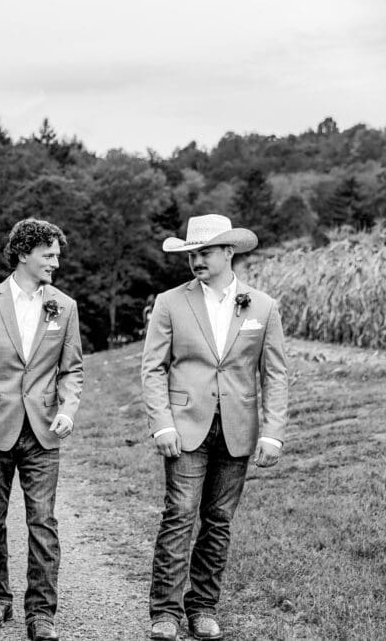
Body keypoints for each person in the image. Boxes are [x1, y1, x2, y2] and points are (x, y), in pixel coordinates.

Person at [141, 214, 288, 641]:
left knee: (219, 518)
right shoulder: (170, 302)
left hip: (239, 427)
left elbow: (274, 374)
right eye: (191, 254)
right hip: (185, 426)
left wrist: (273, 431)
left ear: (229, 252)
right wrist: (161, 424)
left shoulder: (262, 306)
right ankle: (164, 612)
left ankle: (203, 607)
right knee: (180, 515)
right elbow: (153, 369)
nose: (196, 261)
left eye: (204, 252)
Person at [0, 218, 83, 641]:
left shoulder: (64, 306)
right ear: (23, 253)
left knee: (43, 521)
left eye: (57, 255)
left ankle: (41, 611)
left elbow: (73, 369)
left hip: (44, 430)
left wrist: (68, 407)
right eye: (49, 255)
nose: (56, 263)